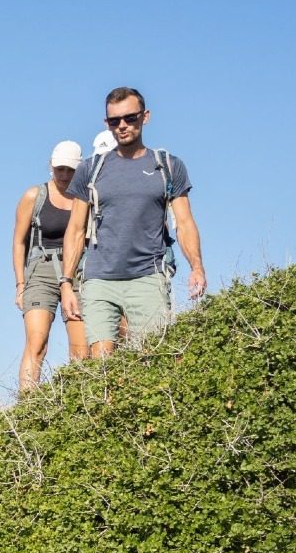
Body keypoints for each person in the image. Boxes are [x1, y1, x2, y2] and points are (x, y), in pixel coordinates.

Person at [59, 88, 205, 355]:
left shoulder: (168, 166)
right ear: (107, 123)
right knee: (102, 364)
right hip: (99, 278)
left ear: (144, 117)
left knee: (154, 358)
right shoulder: (90, 169)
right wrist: (66, 282)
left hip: (148, 277)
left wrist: (197, 266)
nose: (122, 126)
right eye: (114, 121)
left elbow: (184, 222)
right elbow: (76, 230)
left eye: (129, 118)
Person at [11, 140, 87, 392]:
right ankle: (28, 407)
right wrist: (20, 284)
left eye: (70, 170)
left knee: (81, 347)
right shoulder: (35, 195)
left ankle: (78, 403)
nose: (64, 175)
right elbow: (19, 241)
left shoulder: (85, 197)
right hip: (41, 268)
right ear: (51, 167)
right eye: (60, 169)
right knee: (37, 341)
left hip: (77, 269)